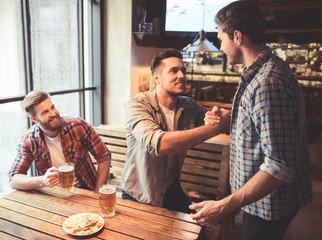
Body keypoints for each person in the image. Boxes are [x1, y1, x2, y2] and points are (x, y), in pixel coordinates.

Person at [189, 1, 312, 240]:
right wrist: (231, 120)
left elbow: (278, 165)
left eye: (220, 39)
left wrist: (226, 204)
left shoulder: (268, 83)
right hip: (258, 200)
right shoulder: (261, 71)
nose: (220, 46)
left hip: (266, 205)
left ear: (237, 37)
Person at [121, 48, 230, 214]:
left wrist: (219, 116)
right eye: (174, 71)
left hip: (172, 188)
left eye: (183, 71)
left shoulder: (189, 105)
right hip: (140, 194)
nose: (181, 76)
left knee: (200, 227)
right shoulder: (137, 105)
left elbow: (215, 119)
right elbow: (159, 144)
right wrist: (213, 129)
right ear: (156, 78)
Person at [9, 90, 111, 193]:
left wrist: (98, 191)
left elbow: (104, 156)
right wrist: (42, 180)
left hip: (86, 190)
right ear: (34, 119)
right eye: (45, 112)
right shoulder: (29, 140)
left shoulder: (77, 126)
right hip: (53, 195)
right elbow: (14, 180)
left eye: (52, 107)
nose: (53, 113)